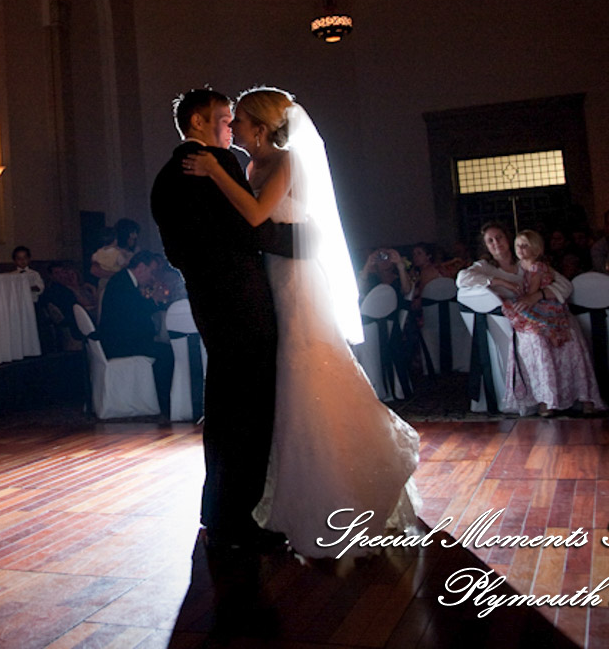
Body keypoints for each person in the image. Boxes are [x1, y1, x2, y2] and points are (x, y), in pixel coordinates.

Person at [181, 87, 420, 558]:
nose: (234, 127)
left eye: (240, 119)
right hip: (266, 278)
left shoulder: (287, 161)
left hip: (296, 279)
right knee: (278, 385)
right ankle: (274, 496)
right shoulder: (251, 167)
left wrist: (214, 171)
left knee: (305, 367)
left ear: (260, 127)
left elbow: (255, 216)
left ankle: (335, 490)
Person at [151, 88, 294, 553]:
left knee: (225, 405)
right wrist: (306, 243)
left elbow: (178, 251)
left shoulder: (164, 178)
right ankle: (240, 521)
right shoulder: (216, 163)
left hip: (208, 301)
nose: (232, 128)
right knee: (249, 409)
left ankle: (218, 513)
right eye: (225, 118)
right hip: (243, 301)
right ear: (198, 121)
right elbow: (251, 230)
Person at [459, 224, 603, 416]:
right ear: (485, 245)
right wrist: (500, 281)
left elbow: (565, 285)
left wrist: (537, 296)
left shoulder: (527, 261)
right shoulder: (485, 267)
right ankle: (546, 398)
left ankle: (583, 396)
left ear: (508, 238)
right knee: (538, 338)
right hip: (517, 320)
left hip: (544, 310)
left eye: (499, 237)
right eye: (490, 240)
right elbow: (462, 279)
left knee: (570, 332)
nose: (496, 243)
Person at [97, 251, 174, 423]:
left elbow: (134, 311)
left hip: (121, 339)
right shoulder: (122, 284)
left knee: (163, 349)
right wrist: (154, 301)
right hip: (120, 344)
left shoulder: (123, 281)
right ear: (140, 268)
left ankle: (162, 400)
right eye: (151, 272)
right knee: (167, 353)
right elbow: (135, 313)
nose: (152, 277)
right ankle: (165, 403)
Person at [91, 218, 139, 301]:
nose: (135, 236)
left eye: (136, 232)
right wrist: (119, 275)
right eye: (132, 233)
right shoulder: (112, 252)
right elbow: (95, 270)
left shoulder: (135, 251)